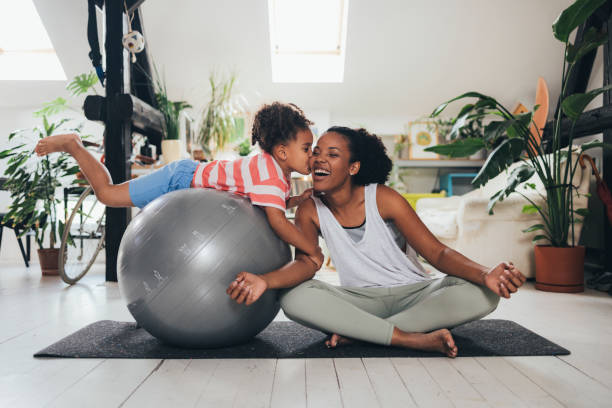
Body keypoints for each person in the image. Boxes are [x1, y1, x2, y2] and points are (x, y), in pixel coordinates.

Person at [226, 126, 526, 357]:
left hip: (416, 294)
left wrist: (487, 274)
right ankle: (408, 337)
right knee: (293, 297)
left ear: (353, 167)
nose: (318, 158)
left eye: (332, 154)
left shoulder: (383, 198)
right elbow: (307, 263)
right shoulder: (309, 209)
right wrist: (266, 281)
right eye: (316, 152)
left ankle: (361, 334)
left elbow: (437, 252)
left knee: (484, 294)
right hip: (359, 300)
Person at [34, 102, 323, 266]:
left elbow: (268, 204)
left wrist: (295, 201)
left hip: (186, 180)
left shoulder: (272, 170)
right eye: (308, 149)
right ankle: (74, 146)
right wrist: (311, 247)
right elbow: (277, 222)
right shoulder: (270, 175)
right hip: (178, 180)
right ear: (283, 152)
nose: (313, 155)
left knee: (111, 193)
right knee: (107, 195)